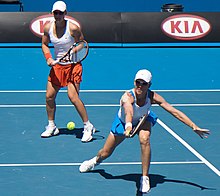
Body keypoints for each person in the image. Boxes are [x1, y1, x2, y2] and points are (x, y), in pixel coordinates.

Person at [79, 69, 210, 193]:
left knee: (144, 138)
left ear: (149, 85)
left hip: (143, 120)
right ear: (134, 82)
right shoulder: (127, 96)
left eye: (144, 83)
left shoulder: (153, 97)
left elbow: (173, 111)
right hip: (123, 123)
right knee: (105, 152)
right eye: (138, 82)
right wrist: (129, 127)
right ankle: (95, 161)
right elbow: (128, 111)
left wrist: (193, 126)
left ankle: (145, 177)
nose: (140, 86)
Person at [41, 1, 95, 142]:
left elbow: (82, 43)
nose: (58, 15)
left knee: (73, 97)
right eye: (55, 13)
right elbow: (44, 44)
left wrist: (73, 51)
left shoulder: (73, 28)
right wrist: (48, 58)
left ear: (65, 14)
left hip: (73, 66)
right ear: (52, 13)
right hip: (58, 67)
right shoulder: (48, 28)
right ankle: (51, 126)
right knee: (49, 97)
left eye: (60, 13)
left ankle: (88, 126)